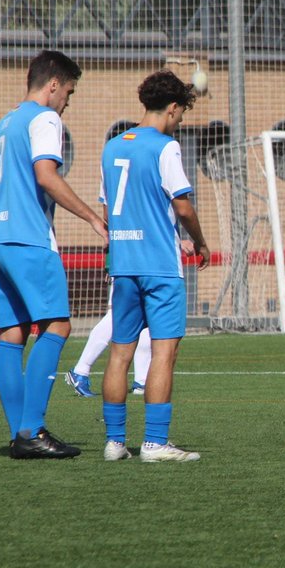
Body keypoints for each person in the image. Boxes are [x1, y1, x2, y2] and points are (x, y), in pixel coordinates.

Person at [0, 50, 107, 459]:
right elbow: (46, 175)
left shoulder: (5, 122)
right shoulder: (45, 118)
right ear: (53, 84)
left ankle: (20, 433)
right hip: (28, 238)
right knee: (57, 327)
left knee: (13, 333)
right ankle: (32, 429)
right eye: (68, 91)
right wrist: (92, 218)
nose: (67, 100)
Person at [99, 70, 211, 462]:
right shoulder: (166, 147)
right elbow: (181, 204)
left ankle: (115, 442)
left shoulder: (112, 146)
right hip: (160, 267)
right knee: (163, 352)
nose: (179, 120)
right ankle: (155, 443)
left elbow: (109, 205)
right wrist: (199, 241)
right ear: (173, 107)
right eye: (180, 114)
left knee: (119, 353)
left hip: (123, 264)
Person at [65, 272, 152, 398]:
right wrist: (110, 264)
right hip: (126, 265)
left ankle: (141, 381)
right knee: (117, 315)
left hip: (147, 266)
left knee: (144, 316)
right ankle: (80, 370)